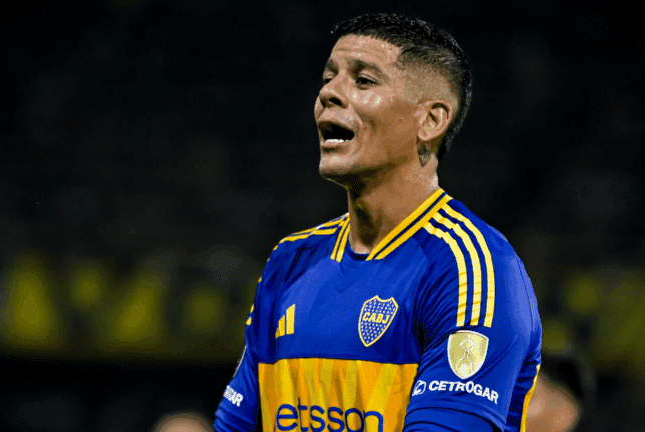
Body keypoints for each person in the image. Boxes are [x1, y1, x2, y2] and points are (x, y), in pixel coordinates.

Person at [215, 13, 542, 432]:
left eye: (363, 80)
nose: (328, 93)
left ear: (431, 120)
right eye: (328, 77)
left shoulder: (471, 270)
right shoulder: (290, 261)